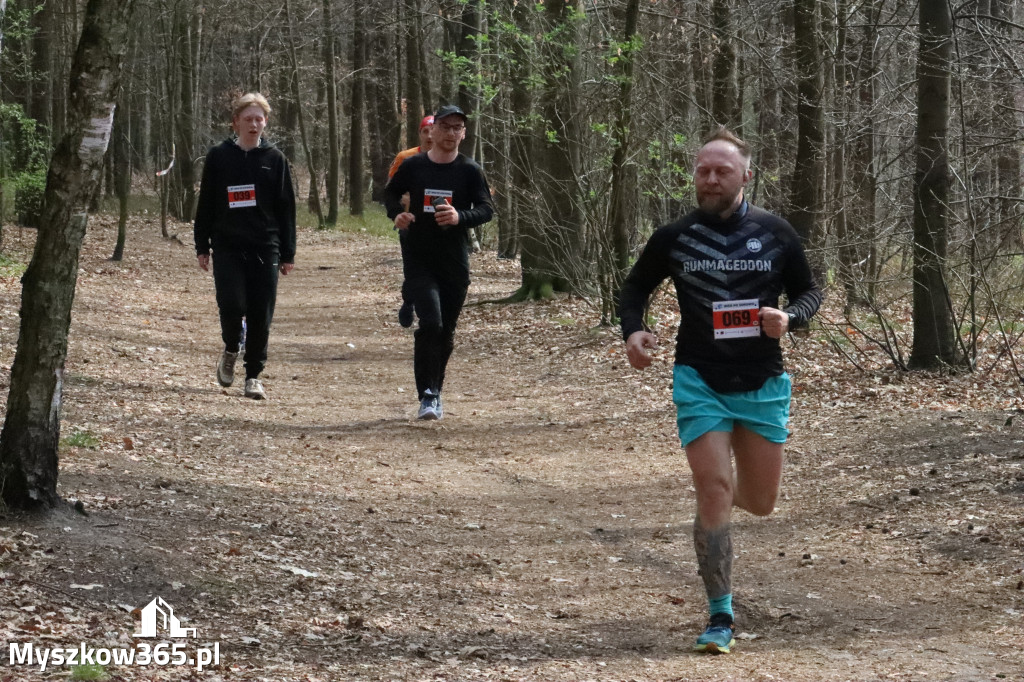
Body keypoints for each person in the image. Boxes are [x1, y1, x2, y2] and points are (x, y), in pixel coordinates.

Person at [617, 128, 822, 654]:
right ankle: (720, 614)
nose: (710, 179)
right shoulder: (674, 236)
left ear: (745, 175)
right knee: (714, 490)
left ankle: (724, 503)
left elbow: (809, 291)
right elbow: (635, 287)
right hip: (699, 377)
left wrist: (790, 318)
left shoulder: (774, 232)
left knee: (760, 502)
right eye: (703, 170)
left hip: (762, 381)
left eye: (722, 171)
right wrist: (634, 330)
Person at [384, 105, 493, 420]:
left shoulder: (470, 171)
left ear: (464, 133)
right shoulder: (414, 165)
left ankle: (435, 389)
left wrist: (460, 217)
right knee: (431, 323)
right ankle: (427, 395)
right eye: (445, 126)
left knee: (446, 330)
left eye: (457, 127)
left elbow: (486, 209)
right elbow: (389, 195)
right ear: (432, 131)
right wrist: (398, 214)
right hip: (419, 257)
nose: (451, 133)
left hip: (453, 261)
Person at [194, 92, 296, 400]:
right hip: (227, 244)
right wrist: (201, 245)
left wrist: (288, 252)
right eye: (248, 119)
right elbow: (206, 202)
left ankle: (253, 376)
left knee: (260, 313)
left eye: (259, 119)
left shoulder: (275, 160)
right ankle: (230, 347)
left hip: (265, 246)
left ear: (266, 122)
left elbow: (286, 209)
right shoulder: (219, 156)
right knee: (232, 304)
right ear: (236, 122)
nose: (254, 124)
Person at [389, 115, 434, 328]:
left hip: (438, 226)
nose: (430, 136)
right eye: (425, 131)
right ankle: (409, 302)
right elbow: (391, 189)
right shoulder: (406, 158)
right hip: (410, 225)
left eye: (433, 131)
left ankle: (430, 311)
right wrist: (401, 204)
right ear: (419, 134)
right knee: (413, 269)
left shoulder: (449, 160)